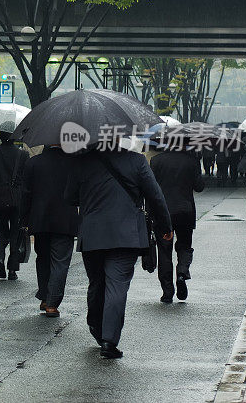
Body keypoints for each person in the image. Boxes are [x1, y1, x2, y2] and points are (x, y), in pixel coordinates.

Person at [65, 148, 172, 359]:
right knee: (117, 285)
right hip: (126, 234)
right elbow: (155, 196)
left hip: (92, 233)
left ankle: (96, 327)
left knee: (96, 283)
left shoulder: (81, 161)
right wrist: (165, 226)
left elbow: (69, 197)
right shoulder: (137, 161)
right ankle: (109, 340)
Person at [20, 147, 79, 317]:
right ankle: (52, 304)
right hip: (65, 221)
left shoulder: (33, 163)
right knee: (60, 262)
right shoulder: (73, 163)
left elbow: (26, 194)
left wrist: (23, 219)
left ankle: (45, 297)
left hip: (40, 220)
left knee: (43, 259)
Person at [150, 147, 205, 303]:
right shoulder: (191, 161)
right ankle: (182, 272)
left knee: (164, 250)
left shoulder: (156, 161)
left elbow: (150, 187)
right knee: (185, 246)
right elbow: (199, 187)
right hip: (185, 211)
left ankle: (167, 291)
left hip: (163, 212)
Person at [0, 130, 29, 280]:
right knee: (16, 232)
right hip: (17, 198)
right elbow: (27, 178)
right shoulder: (23, 155)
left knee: (0, 230)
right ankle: (12, 269)